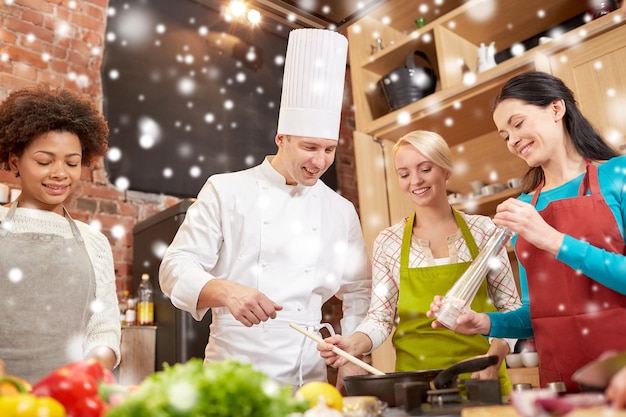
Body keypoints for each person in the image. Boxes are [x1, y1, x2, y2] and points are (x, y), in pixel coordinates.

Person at [158, 28, 371, 389]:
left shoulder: (340, 210)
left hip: (309, 377)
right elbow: (174, 269)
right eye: (309, 147)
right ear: (281, 139)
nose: (320, 161)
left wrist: (352, 360)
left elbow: (360, 291)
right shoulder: (226, 189)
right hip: (234, 375)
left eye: (329, 150)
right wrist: (227, 291)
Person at [428, 71, 626, 393]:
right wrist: (485, 322)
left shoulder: (618, 175)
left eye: (518, 124)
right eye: (504, 135)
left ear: (556, 109)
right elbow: (538, 311)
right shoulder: (524, 208)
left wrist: (550, 238)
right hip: (563, 379)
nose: (512, 141)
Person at [317, 130, 521, 394]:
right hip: (415, 386)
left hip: (482, 378)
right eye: (404, 174)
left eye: (425, 169)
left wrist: (493, 359)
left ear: (446, 170)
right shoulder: (388, 242)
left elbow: (510, 309)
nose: (415, 181)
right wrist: (354, 344)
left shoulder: (484, 231)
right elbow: (380, 317)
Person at [0, 85, 121, 384]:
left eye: (72, 162)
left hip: (69, 398)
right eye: (44, 161)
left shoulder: (94, 242)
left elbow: (103, 326)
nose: (60, 173)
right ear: (15, 162)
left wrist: (89, 370)